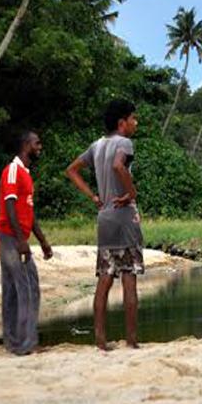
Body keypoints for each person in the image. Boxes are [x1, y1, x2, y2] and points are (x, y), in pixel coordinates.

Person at [66, 99, 143, 351]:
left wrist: (93, 196)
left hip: (105, 218)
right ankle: (131, 341)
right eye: (133, 118)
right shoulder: (124, 142)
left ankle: (100, 340)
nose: (135, 122)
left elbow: (72, 170)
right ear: (122, 123)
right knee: (129, 278)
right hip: (124, 218)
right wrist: (131, 193)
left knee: (105, 279)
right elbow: (118, 165)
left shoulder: (96, 145)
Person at [0, 130, 53, 356]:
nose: (40, 146)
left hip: (18, 238)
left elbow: (28, 212)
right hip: (11, 238)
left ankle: (14, 343)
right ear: (26, 145)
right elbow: (9, 205)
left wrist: (42, 241)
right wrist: (21, 240)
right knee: (25, 288)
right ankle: (25, 344)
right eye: (37, 143)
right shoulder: (13, 170)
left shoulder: (26, 174)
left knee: (15, 289)